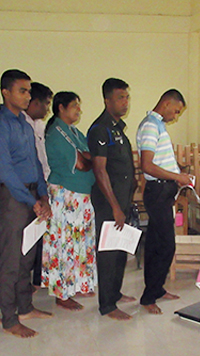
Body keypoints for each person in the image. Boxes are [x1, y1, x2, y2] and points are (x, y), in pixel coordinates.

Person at [0, 69, 52, 339]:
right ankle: (9, 319)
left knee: (28, 257)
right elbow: (6, 170)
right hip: (12, 199)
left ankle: (25, 307)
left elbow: (35, 163)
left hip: (32, 195)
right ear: (6, 92)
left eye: (29, 91)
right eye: (22, 91)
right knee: (11, 260)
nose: (27, 96)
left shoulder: (25, 123)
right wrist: (31, 200)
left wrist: (43, 196)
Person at [137, 89, 192, 314]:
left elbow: (159, 160)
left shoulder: (157, 124)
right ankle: (148, 297)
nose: (175, 116)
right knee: (167, 245)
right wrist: (178, 177)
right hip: (158, 191)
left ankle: (156, 289)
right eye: (176, 111)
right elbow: (147, 166)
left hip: (163, 191)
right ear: (167, 103)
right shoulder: (151, 126)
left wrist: (179, 172)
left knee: (154, 244)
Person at [42, 91, 97, 311]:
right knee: (64, 244)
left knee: (80, 243)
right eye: (74, 106)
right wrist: (87, 158)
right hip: (66, 195)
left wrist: (87, 157)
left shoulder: (73, 131)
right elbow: (82, 163)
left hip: (81, 195)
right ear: (61, 108)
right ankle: (61, 294)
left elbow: (91, 155)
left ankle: (78, 284)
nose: (79, 110)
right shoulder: (57, 132)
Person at [88, 78, 137, 321]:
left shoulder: (117, 128)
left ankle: (115, 293)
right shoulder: (100, 129)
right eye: (120, 98)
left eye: (127, 97)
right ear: (107, 101)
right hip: (109, 203)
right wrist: (116, 207)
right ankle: (107, 305)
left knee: (120, 251)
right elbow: (100, 171)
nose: (125, 102)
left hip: (122, 201)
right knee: (108, 254)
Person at [24, 82, 53, 289]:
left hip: (44, 184)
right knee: (29, 234)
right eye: (46, 104)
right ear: (34, 103)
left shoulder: (41, 127)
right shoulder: (21, 125)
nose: (47, 109)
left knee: (43, 232)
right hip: (27, 187)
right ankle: (26, 283)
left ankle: (39, 279)